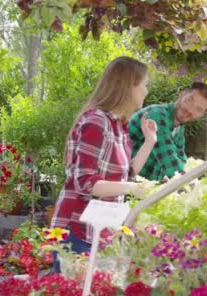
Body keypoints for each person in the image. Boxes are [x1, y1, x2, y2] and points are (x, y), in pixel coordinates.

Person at [51, 56, 157, 263]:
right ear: (129, 86)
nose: (146, 91)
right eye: (144, 85)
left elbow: (126, 175)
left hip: (100, 231)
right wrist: (133, 189)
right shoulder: (96, 121)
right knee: (75, 295)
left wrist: (149, 142)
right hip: (78, 231)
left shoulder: (118, 125)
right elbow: (86, 183)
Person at [128, 82, 207, 181]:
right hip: (121, 187)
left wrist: (205, 179)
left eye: (198, 109)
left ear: (201, 115)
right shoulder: (157, 115)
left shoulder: (178, 127)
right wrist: (197, 186)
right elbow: (169, 161)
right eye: (190, 100)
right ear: (181, 95)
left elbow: (181, 159)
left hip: (139, 188)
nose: (190, 110)